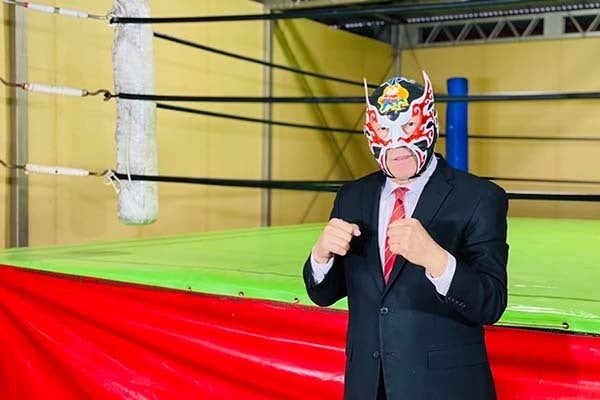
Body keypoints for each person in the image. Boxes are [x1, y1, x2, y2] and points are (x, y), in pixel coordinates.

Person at [302, 72, 508, 400]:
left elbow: (492, 303)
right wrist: (321, 255)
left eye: (408, 126)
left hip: (445, 389)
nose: (396, 143)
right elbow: (325, 294)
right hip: (368, 387)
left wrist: (437, 260)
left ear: (429, 123)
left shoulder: (479, 197)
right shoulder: (352, 196)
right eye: (384, 130)